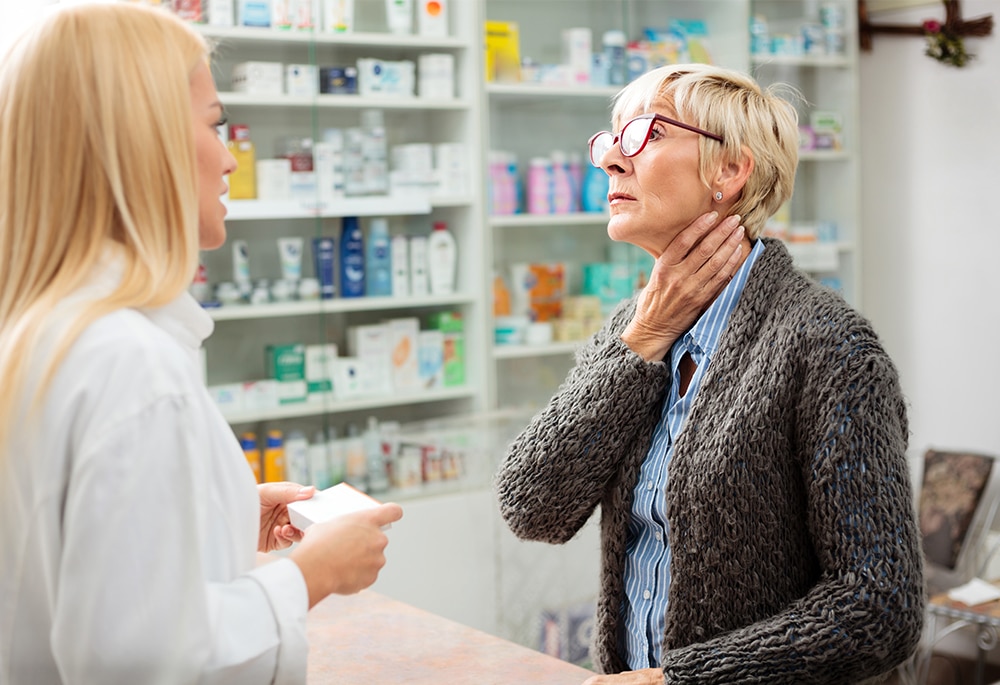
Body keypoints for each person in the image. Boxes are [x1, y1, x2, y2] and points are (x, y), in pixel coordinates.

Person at [0, 4, 402, 683]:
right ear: (140, 143)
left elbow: (63, 561)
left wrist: (216, 514)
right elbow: (134, 661)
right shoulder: (131, 366)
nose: (229, 156)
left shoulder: (44, 331)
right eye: (215, 125)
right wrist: (311, 572)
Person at [494, 63, 923, 684]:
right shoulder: (629, 330)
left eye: (644, 133)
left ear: (729, 169)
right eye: (610, 139)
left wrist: (681, 680)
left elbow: (880, 607)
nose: (611, 159)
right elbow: (532, 507)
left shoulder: (828, 347)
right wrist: (639, 344)